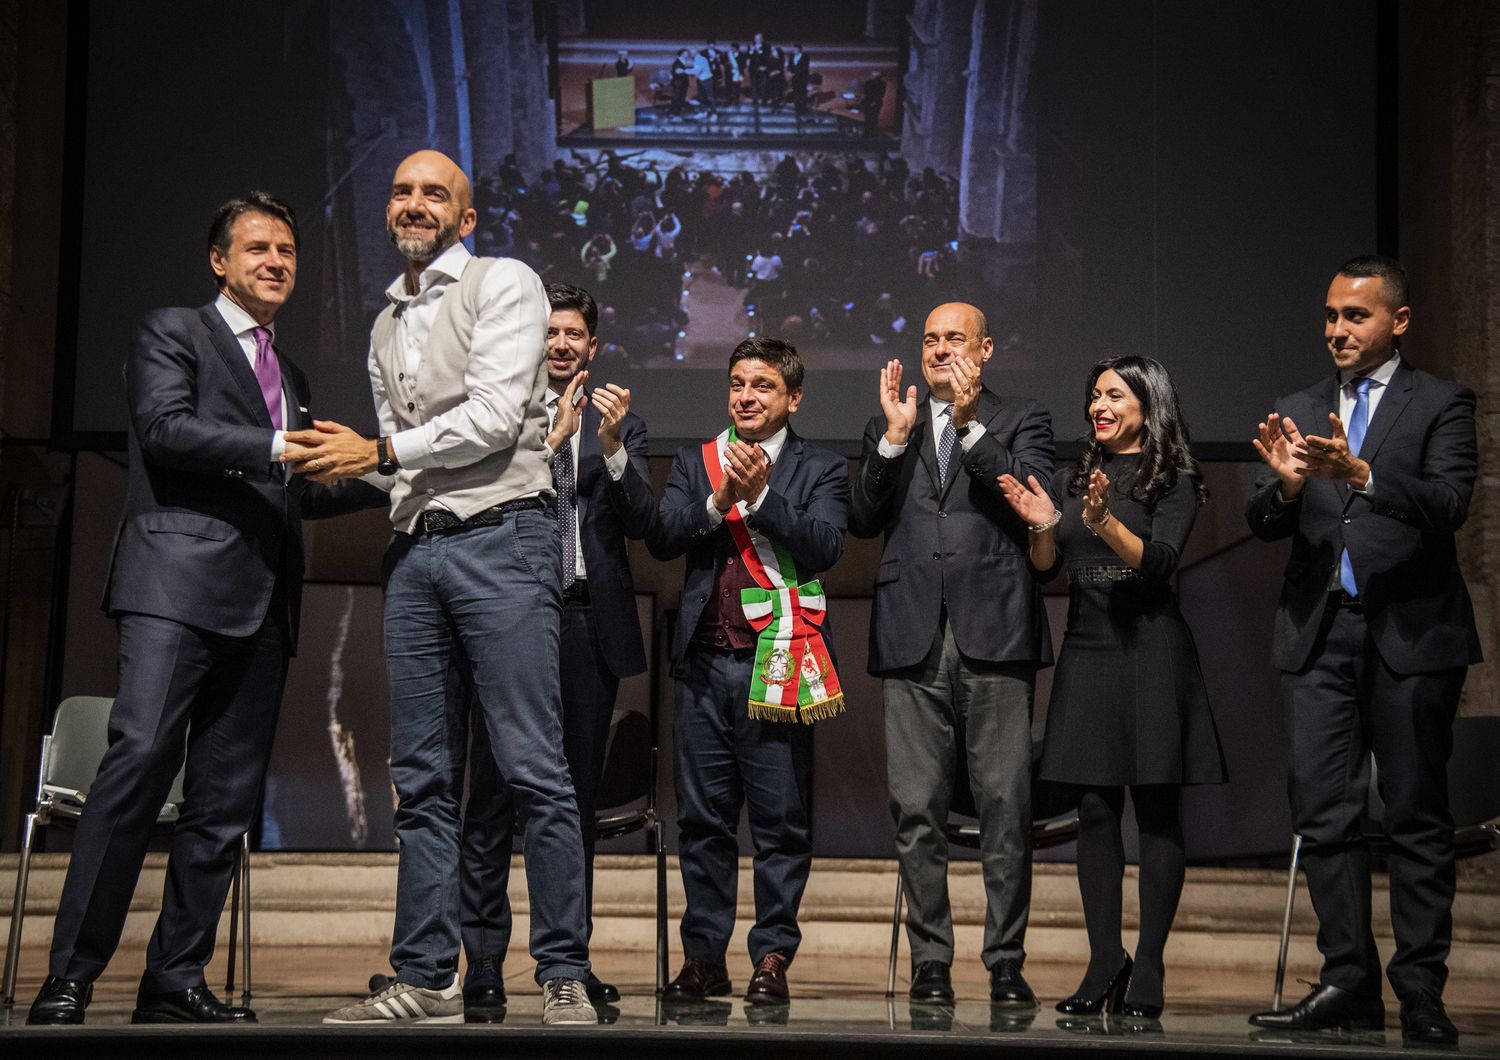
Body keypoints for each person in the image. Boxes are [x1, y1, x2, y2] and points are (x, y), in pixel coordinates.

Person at [28, 192, 383, 1025]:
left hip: (263, 608)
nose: (276, 261)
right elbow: (164, 430)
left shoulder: (289, 376)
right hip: (176, 592)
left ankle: (176, 977)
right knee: (138, 768)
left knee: (224, 806)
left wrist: (384, 479)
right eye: (258, 247)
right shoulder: (172, 331)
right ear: (219, 261)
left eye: (288, 251)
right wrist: (276, 448)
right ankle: (71, 976)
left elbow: (291, 487)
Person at [286, 150, 596, 1025]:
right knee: (421, 780)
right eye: (401, 191)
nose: (413, 204)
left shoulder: (505, 281)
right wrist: (349, 468)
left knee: (535, 769)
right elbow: (406, 471)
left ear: (465, 218)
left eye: (435, 194)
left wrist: (380, 453)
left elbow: (498, 420)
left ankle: (564, 969)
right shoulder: (386, 323)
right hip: (417, 552)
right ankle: (424, 972)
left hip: (504, 541)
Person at [1245, 255, 1480, 1045]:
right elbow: (1266, 521)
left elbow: (1449, 503)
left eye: (1355, 316)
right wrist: (1282, 486)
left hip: (1411, 636)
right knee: (1324, 812)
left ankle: (1421, 992)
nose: (1336, 331)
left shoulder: (1441, 402)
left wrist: (1366, 474)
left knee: (1415, 815)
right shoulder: (1298, 405)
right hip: (1320, 636)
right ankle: (1349, 980)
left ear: (1398, 322)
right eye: (1330, 316)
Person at [998, 356, 1225, 1021]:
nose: (1099, 404)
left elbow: (1157, 565)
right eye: (1094, 393)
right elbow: (1048, 570)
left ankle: (1149, 963)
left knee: (1155, 809)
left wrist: (1101, 521)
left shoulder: (1172, 476)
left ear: (1147, 405)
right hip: (1088, 648)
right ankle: (1105, 958)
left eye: (1114, 394)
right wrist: (1044, 524)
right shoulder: (1074, 476)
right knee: (1094, 810)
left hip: (1151, 650)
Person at [456, 282, 656, 1017]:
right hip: (506, 618)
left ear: (592, 346)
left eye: (573, 334)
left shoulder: (617, 425)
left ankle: (566, 959)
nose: (561, 344)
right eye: (549, 333)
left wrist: (608, 452)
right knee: (489, 798)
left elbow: (642, 522)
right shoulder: (501, 412)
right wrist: (545, 442)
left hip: (583, 626)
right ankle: (481, 961)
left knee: (568, 803)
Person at [848, 302, 1054, 1007]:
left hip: (994, 630)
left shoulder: (1022, 417)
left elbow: (1030, 498)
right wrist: (890, 447)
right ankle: (930, 961)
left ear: (986, 349)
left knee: (1003, 804)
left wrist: (968, 425)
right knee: (915, 807)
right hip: (911, 633)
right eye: (930, 339)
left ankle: (1005, 961)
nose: (940, 350)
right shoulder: (890, 422)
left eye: (955, 340)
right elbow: (863, 518)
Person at [644, 337, 849, 1005]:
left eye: (762, 385)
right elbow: (664, 535)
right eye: (737, 383)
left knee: (779, 819)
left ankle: (772, 958)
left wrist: (761, 499)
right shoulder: (695, 460)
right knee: (702, 822)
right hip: (703, 665)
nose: (745, 396)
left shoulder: (819, 466)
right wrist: (718, 499)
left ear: (793, 398)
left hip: (779, 662)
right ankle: (705, 958)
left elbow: (824, 547)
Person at [862, 71, 887, 139]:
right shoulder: (871, 83)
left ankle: (870, 133)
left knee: (872, 118)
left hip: (873, 102)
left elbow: (880, 94)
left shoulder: (881, 84)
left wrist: (873, 102)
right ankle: (869, 133)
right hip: (870, 102)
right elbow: (866, 93)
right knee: (870, 118)